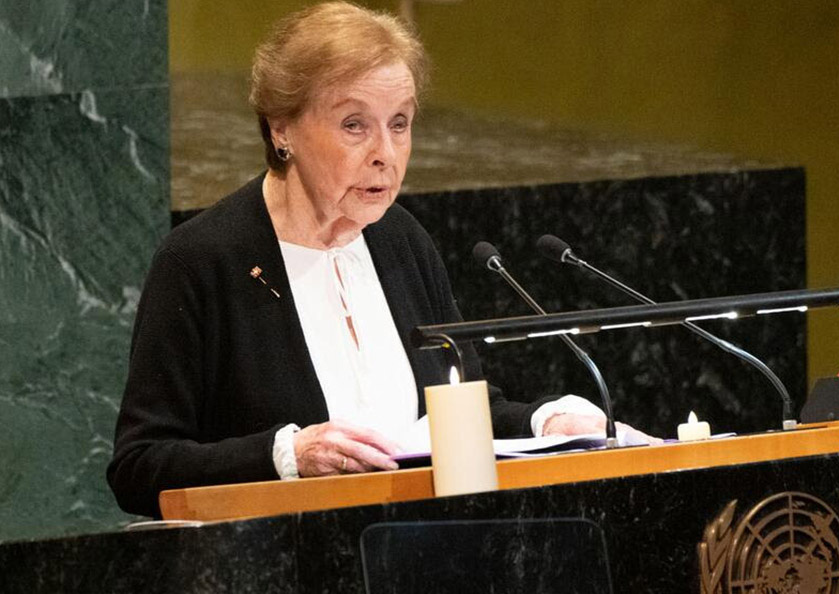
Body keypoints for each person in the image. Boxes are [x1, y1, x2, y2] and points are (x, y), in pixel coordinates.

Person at [107, 1, 652, 519]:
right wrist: (285, 456)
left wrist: (547, 419)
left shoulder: (402, 241)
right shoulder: (202, 260)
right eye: (353, 125)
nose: (385, 155)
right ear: (281, 128)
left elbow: (455, 412)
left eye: (399, 123)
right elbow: (139, 467)